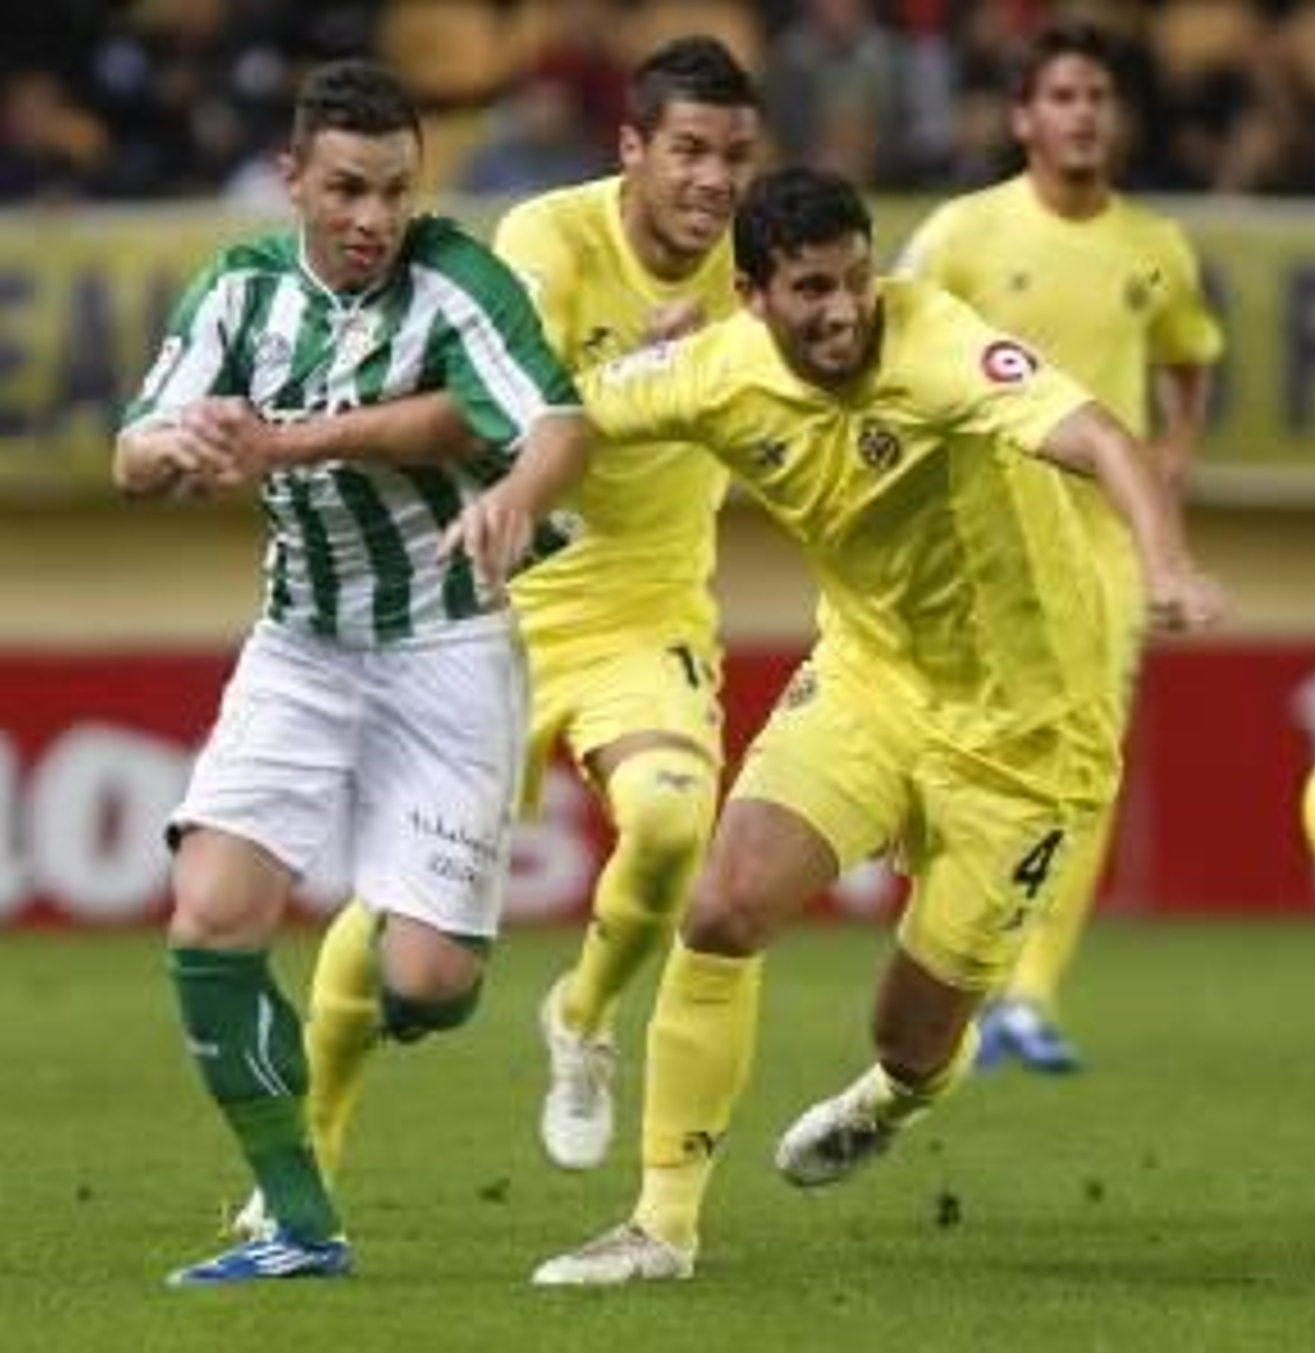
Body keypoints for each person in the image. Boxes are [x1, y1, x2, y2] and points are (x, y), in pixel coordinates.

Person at [528, 166, 1225, 1286]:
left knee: (910, 1033)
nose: (844, 309)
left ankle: (897, 1096)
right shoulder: (712, 371)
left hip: (1029, 731)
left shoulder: (936, 342)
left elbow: (1099, 436)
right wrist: (501, 497)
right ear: (751, 293)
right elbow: (563, 405)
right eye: (811, 289)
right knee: (721, 905)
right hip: (869, 683)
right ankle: (661, 1227)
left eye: (854, 280)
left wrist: (1167, 561)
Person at [115, 58, 588, 1287]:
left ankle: (418, 970)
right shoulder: (239, 288)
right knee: (210, 921)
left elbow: (555, 426)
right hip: (299, 647)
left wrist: (516, 501)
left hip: (445, 645)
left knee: (426, 985)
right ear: (292, 181)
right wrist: (185, 448)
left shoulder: (457, 278)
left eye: (392, 190)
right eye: (345, 190)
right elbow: (134, 451)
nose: (372, 217)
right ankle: (299, 1221)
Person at [285, 35, 760, 1196]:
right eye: (687, 151)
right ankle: (306, 1160)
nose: (712, 180)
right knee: (399, 910)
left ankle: (580, 1016)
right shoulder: (550, 238)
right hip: (499, 611)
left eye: (734, 157)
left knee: (666, 824)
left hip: (649, 614)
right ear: (632, 150)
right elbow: (513, 402)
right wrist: (647, 376)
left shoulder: (758, 268)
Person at [899, 22, 1225, 1075]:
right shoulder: (962, 233)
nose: (1083, 111)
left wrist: (1170, 456)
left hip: (1101, 543)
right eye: (1063, 95)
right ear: (1022, 118)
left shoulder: (1155, 250)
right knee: (960, 763)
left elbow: (1189, 359)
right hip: (978, 536)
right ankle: (964, 965)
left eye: (1097, 94)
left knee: (1086, 768)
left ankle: (1028, 998)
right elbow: (887, 340)